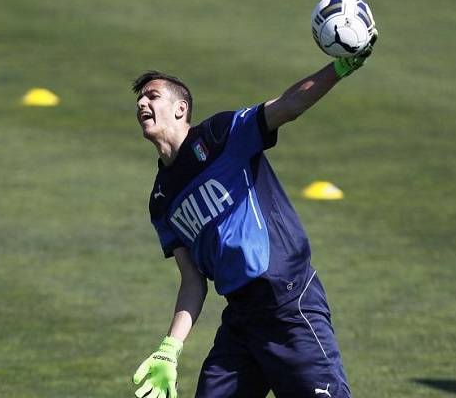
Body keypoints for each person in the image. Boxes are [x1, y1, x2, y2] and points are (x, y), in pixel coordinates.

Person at [131, 31, 378, 398]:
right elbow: (192, 281)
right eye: (139, 98)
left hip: (288, 305)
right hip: (241, 322)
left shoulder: (219, 136)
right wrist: (169, 349)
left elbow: (287, 106)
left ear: (181, 108)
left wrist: (339, 68)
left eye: (152, 96)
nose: (141, 102)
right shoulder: (161, 200)